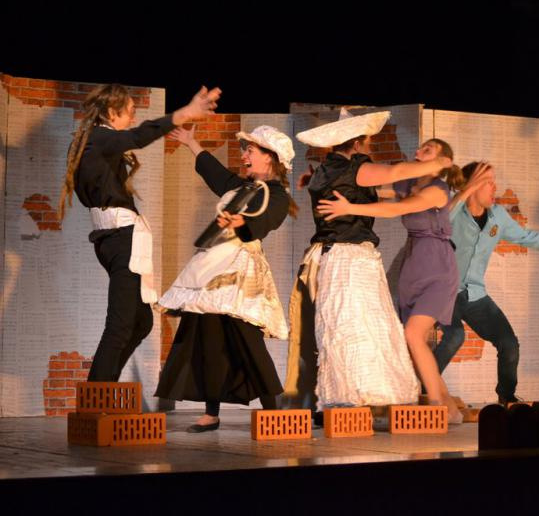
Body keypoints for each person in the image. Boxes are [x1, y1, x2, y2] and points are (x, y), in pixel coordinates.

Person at [288, 110, 452, 415]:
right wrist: (439, 163)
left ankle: (352, 396)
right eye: (367, 142)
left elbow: (384, 192)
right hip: (352, 258)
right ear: (357, 143)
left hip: (331, 258)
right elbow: (394, 173)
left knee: (344, 326)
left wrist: (313, 181)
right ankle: (361, 396)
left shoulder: (324, 170)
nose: (370, 147)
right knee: (360, 326)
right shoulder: (355, 168)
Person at [58, 83, 221, 382]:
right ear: (112, 112)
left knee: (141, 321)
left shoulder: (95, 140)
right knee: (121, 324)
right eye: (130, 112)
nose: (133, 118)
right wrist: (185, 113)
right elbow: (138, 136)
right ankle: (97, 394)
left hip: (116, 237)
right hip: (120, 237)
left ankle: (104, 387)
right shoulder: (100, 137)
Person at [316, 138, 473, 422]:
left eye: (428, 150)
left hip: (438, 267)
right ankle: (449, 407)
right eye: (420, 148)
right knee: (414, 341)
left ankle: (436, 406)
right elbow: (371, 189)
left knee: (413, 334)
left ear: (442, 160)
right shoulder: (408, 184)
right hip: (413, 266)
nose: (418, 151)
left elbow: (395, 210)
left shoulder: (437, 189)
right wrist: (322, 182)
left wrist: (350, 208)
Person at [155, 124, 295, 432]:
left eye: (251, 151)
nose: (244, 156)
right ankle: (211, 412)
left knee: (247, 340)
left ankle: (274, 410)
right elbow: (215, 174)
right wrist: (191, 142)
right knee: (209, 338)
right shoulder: (241, 187)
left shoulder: (277, 195)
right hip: (213, 268)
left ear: (269, 157)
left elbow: (265, 221)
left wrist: (240, 221)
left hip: (240, 271)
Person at [434, 161, 539, 405]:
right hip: (442, 292)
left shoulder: (497, 216)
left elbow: (525, 236)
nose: (495, 187)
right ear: (472, 185)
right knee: (455, 336)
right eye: (488, 182)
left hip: (474, 294)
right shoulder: (454, 211)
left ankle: (507, 397)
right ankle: (424, 386)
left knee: (509, 343)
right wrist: (465, 190)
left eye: (494, 181)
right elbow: (440, 220)